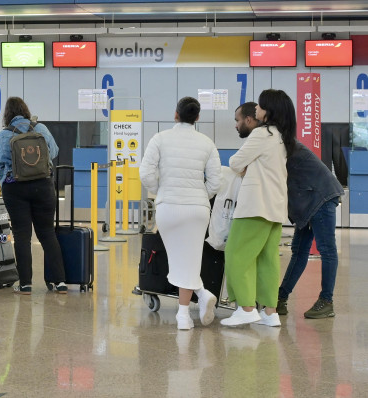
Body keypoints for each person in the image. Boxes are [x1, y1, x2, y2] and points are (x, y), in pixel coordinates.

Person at [234, 101, 343, 320]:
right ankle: (281, 298)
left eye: (238, 120)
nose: (237, 124)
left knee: (326, 249)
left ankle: (326, 300)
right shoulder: (275, 138)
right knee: (299, 251)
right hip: (307, 200)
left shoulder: (272, 138)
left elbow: (239, 164)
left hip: (320, 195)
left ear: (254, 119)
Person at [138, 96, 222, 330]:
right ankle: (201, 296)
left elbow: (145, 174)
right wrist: (200, 196)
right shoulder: (206, 142)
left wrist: (160, 191)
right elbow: (216, 181)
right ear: (197, 117)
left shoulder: (160, 139)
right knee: (190, 258)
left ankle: (184, 315)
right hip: (197, 209)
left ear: (176, 114)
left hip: (169, 207)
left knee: (178, 257)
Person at [221, 91, 296, 327]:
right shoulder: (283, 137)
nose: (257, 110)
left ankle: (246, 308)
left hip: (255, 206)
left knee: (236, 254)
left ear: (269, 111)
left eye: (260, 107)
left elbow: (235, 162)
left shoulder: (262, 134)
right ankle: (270, 312)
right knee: (267, 260)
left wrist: (245, 165)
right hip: (274, 208)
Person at [0, 96, 69, 296]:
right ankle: (60, 282)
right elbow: (55, 151)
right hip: (43, 186)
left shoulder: (4, 135)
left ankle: (25, 284)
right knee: (47, 233)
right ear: (25, 109)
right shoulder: (40, 129)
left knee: (22, 236)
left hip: (15, 189)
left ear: (7, 114)